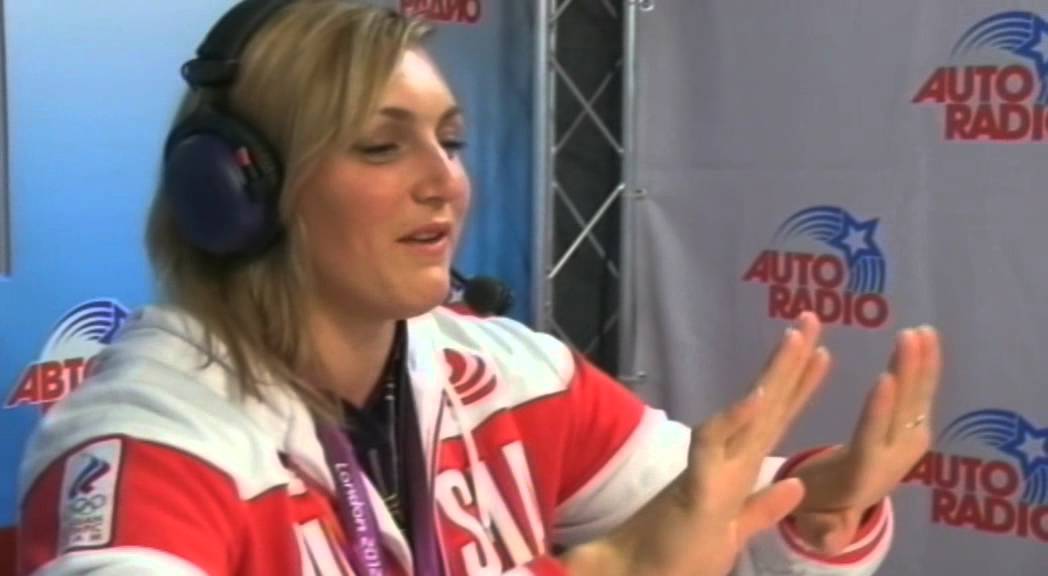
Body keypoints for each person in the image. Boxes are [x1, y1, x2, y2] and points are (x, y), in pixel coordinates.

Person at [16, 1, 943, 575]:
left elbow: (702, 510)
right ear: (234, 191)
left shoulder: (508, 373)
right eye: (382, 146)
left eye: (451, 141)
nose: (444, 181)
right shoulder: (150, 442)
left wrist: (824, 496)